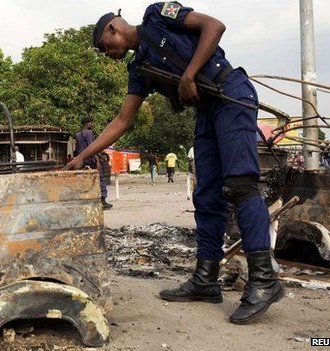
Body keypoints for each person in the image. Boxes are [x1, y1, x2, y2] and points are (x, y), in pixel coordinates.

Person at [65, 2, 282, 324]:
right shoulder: (138, 69)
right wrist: (82, 156)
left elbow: (214, 26)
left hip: (230, 94)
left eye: (102, 46)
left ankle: (264, 280)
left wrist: (189, 75)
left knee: (240, 185)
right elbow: (123, 120)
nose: (104, 53)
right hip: (206, 111)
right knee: (206, 195)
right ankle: (206, 279)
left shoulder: (157, 16)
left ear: (113, 27)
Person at [76, 116, 113, 209]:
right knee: (100, 179)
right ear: (86, 124)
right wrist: (97, 160)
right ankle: (102, 201)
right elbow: (92, 148)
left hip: (83, 161)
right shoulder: (89, 133)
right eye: (91, 123)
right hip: (91, 161)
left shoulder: (78, 135)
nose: (92, 124)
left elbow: (78, 149)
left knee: (87, 181)